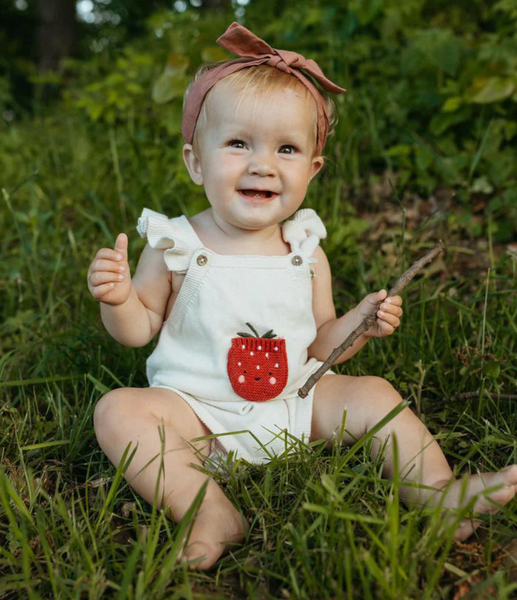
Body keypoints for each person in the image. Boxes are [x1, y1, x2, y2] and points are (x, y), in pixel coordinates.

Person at [88, 22, 517, 571]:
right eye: (238, 143)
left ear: (312, 170)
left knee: (375, 393)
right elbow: (138, 330)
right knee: (118, 411)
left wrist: (359, 323)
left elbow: (321, 344)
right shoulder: (176, 244)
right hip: (196, 417)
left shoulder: (305, 250)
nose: (262, 164)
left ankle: (435, 489)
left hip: (296, 403)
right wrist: (118, 298)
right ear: (196, 161)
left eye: (286, 148)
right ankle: (207, 508)